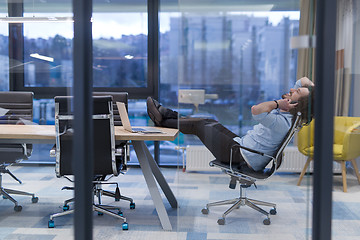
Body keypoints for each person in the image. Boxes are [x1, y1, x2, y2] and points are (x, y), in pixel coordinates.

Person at [147, 77, 315, 172]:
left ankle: (163, 116)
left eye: (297, 92)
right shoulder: (292, 116)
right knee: (208, 121)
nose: (293, 89)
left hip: (241, 156)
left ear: (298, 104)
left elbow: (256, 110)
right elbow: (303, 81)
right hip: (241, 146)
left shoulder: (283, 123)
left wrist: (278, 103)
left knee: (200, 127)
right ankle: (164, 117)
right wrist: (312, 92)